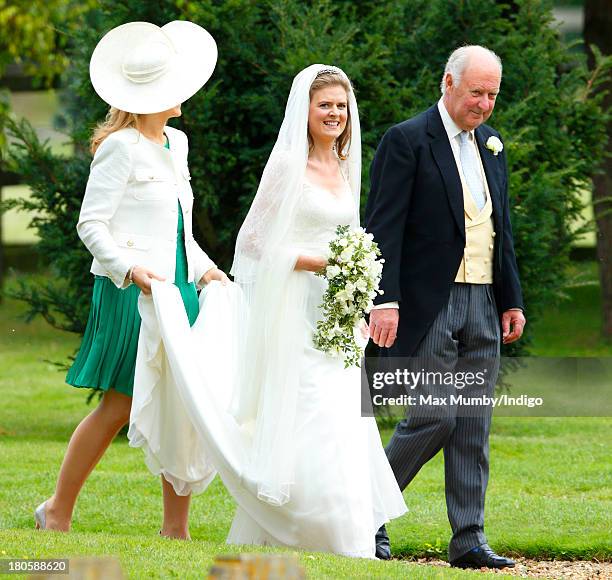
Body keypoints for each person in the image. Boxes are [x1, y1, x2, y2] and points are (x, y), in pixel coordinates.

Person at [131, 64, 407, 558]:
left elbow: (348, 237)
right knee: (311, 409)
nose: (335, 114)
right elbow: (252, 245)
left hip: (336, 313)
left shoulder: (343, 167)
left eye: (341, 106)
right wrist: (318, 262)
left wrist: (355, 282)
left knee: (344, 413)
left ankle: (345, 534)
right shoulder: (287, 169)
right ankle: (306, 527)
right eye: (325, 105)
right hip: (293, 309)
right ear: (304, 110)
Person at [34, 21, 227, 539]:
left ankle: (175, 529)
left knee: (183, 402)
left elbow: (180, 226)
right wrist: (128, 270)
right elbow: (90, 224)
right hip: (130, 293)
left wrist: (206, 268)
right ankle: (56, 510)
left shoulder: (177, 143)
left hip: (179, 289)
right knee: (118, 403)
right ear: (153, 95)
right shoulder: (119, 147)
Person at [365, 45, 526, 568]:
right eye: (476, 92)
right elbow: (383, 225)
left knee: (474, 423)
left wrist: (511, 299)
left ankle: (469, 540)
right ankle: (366, 512)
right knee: (434, 414)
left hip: (483, 300)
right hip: (428, 302)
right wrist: (383, 299)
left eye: (492, 95)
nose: (484, 104)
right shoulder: (407, 140)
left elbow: (501, 228)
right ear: (448, 82)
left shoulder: (492, 146)